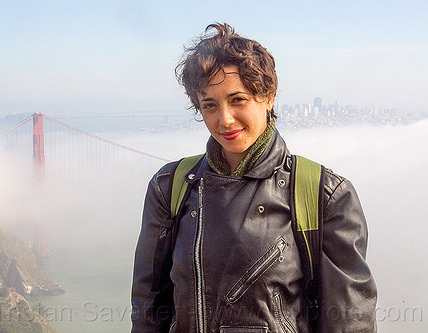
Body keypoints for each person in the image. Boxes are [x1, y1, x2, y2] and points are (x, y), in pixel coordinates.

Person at [131, 23, 377, 333]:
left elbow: (349, 322)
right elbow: (148, 311)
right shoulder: (170, 187)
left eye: (238, 100)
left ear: (268, 96)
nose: (225, 120)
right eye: (210, 105)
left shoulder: (323, 194)